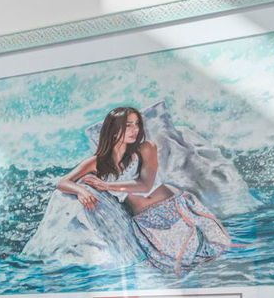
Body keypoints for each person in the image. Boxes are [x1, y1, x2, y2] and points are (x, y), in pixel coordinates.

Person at [53, 105, 231, 272]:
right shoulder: (95, 163)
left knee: (210, 258)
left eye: (137, 124)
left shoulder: (146, 148)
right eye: (128, 125)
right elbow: (63, 182)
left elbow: (144, 185)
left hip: (175, 209)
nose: (135, 129)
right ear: (113, 130)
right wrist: (81, 190)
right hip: (146, 221)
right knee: (179, 266)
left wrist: (107, 185)